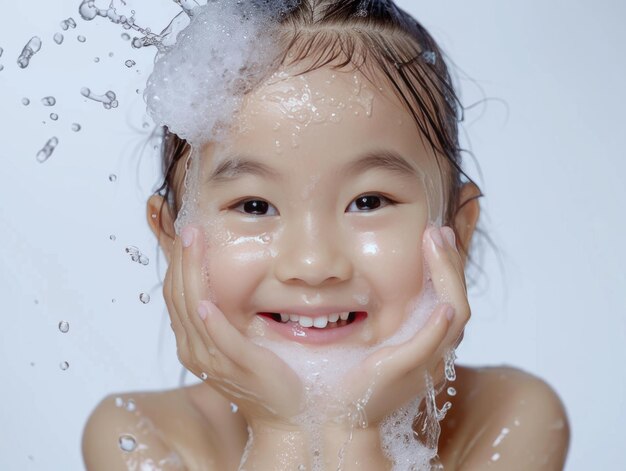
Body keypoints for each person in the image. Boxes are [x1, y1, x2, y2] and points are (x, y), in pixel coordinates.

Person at [82, 1, 570, 469]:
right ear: (173, 235)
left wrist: (355, 434)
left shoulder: (508, 417)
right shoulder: (141, 435)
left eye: (369, 202)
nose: (313, 265)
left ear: (457, 233)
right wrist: (285, 433)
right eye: (254, 206)